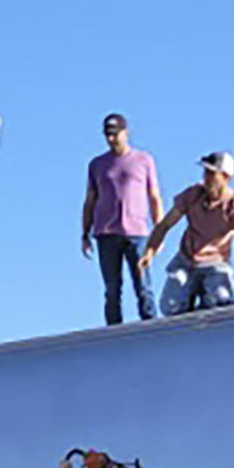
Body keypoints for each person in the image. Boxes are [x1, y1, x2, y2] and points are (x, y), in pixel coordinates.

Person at [142, 152, 234, 316]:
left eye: (212, 174)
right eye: (205, 173)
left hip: (216, 263)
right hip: (186, 260)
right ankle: (189, 305)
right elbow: (165, 224)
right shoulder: (192, 195)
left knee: (219, 302)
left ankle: (218, 303)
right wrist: (150, 250)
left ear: (225, 177)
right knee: (169, 306)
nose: (206, 178)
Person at [83, 113, 163, 325]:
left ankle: (150, 327)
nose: (111, 139)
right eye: (107, 135)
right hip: (106, 233)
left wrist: (159, 231)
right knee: (112, 289)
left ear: (125, 133)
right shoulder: (97, 164)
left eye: (115, 134)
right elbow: (90, 199)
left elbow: (154, 196)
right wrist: (85, 233)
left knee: (143, 286)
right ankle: (113, 330)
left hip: (136, 233)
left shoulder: (143, 160)